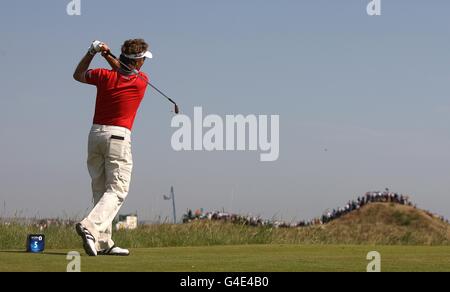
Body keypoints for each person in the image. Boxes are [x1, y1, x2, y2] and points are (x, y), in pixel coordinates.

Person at [73, 39, 152, 256]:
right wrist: (107, 55)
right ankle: (90, 226)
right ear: (137, 63)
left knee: (100, 189)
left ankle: (103, 242)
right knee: (117, 190)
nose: (145, 62)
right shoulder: (141, 80)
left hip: (95, 135)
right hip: (118, 136)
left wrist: (93, 52)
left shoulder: (103, 75)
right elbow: (123, 70)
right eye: (143, 59)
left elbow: (78, 74)